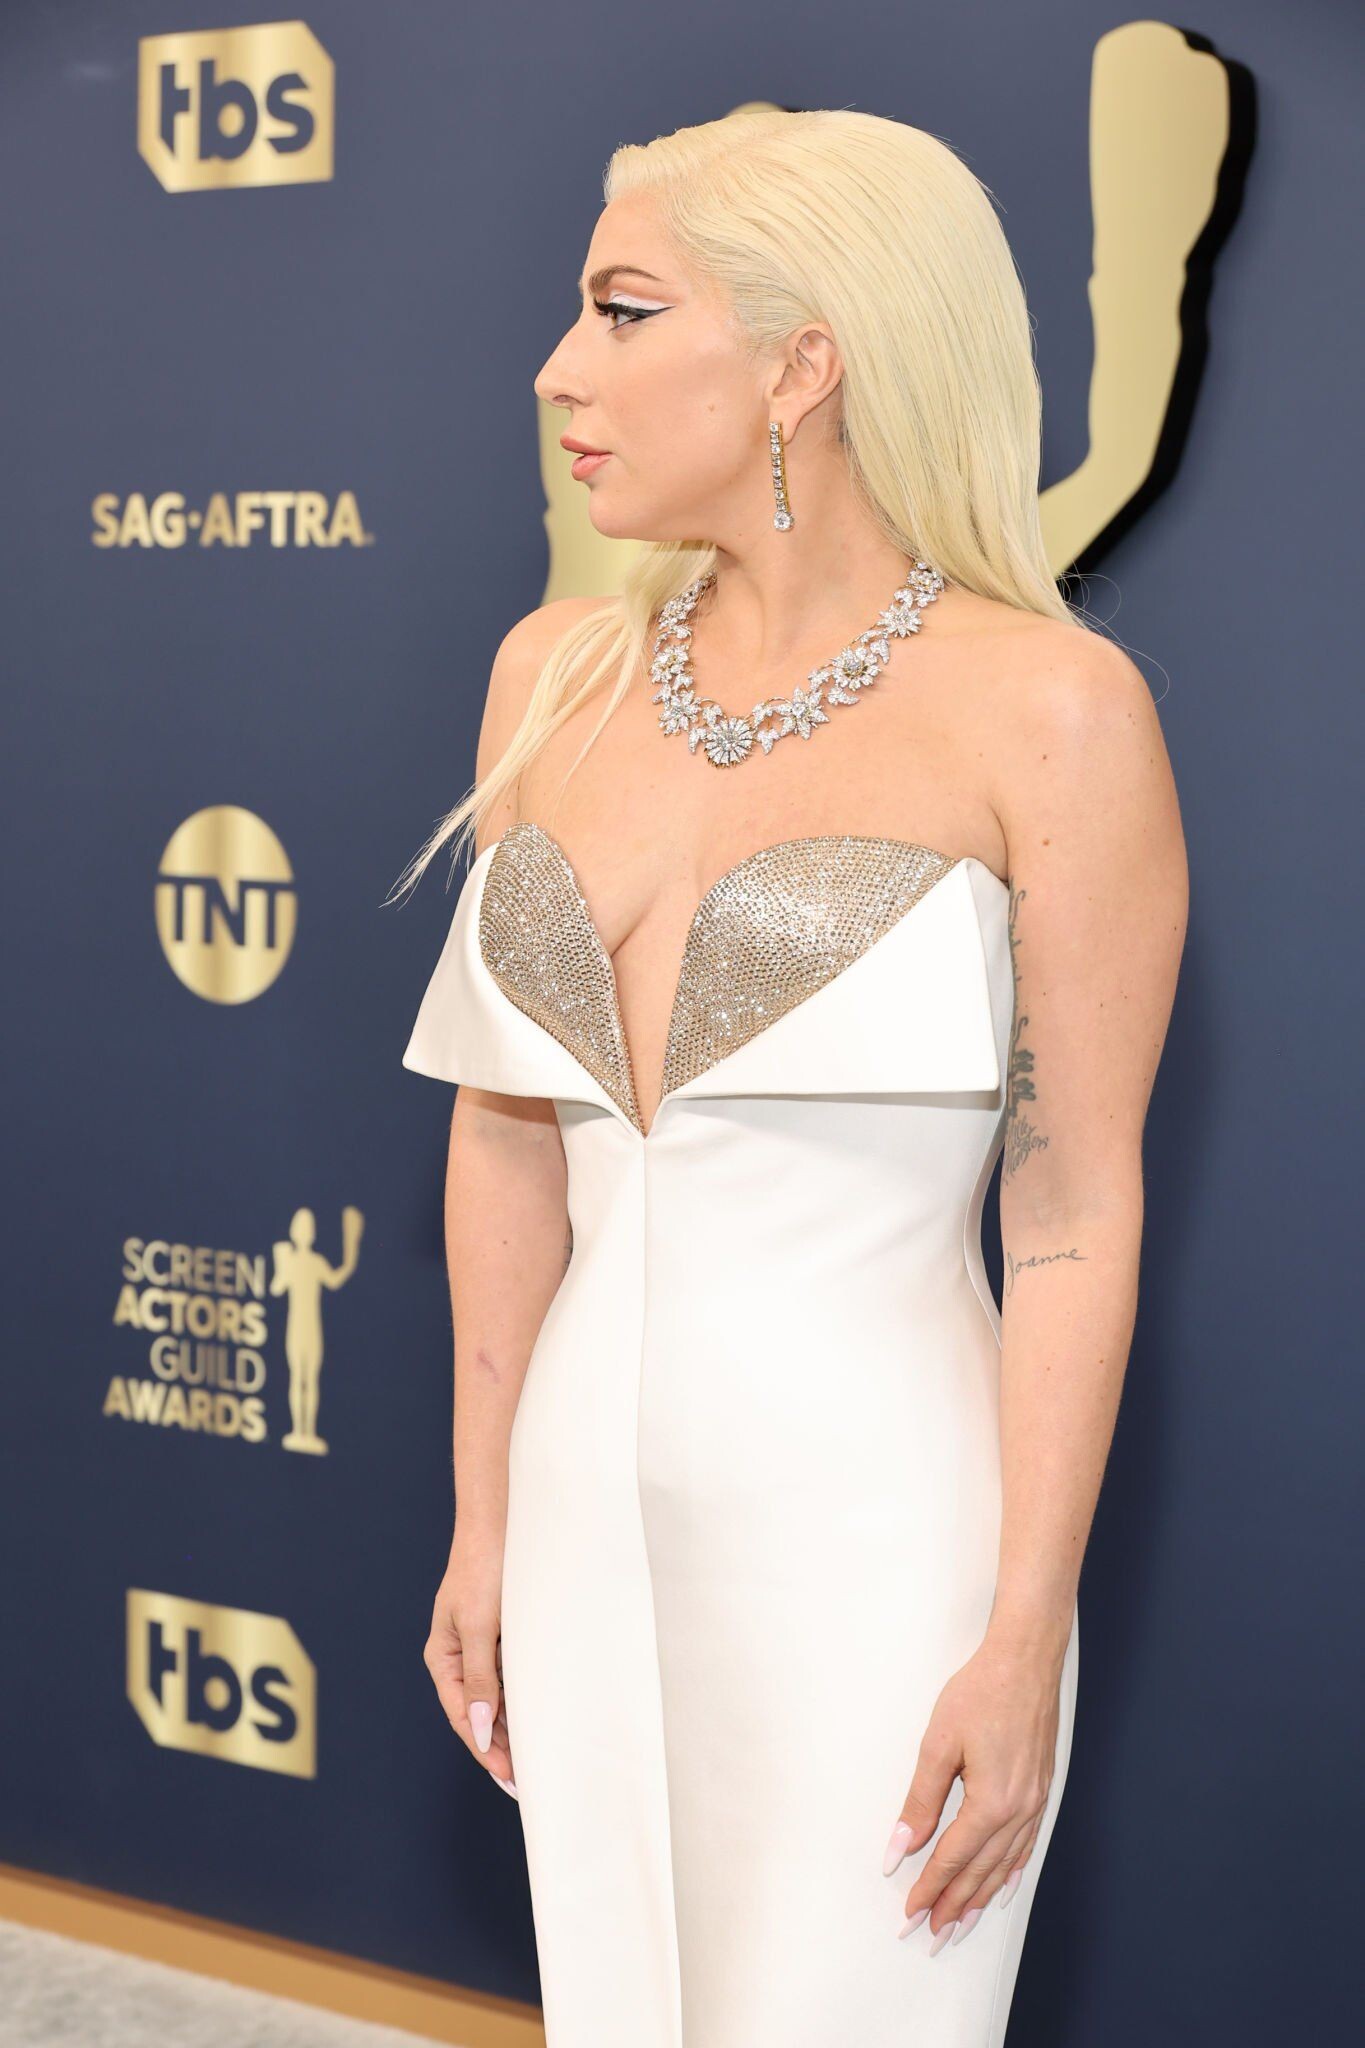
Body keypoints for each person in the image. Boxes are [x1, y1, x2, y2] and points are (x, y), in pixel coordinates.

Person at [392, 106, 1187, 2048]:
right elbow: (504, 1141)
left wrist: (1018, 1633)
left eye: (620, 310)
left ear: (799, 363)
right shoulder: (550, 675)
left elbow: (1071, 1212)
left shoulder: (1049, 708)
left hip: (878, 1541)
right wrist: (484, 1518)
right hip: (576, 1522)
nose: (556, 369)